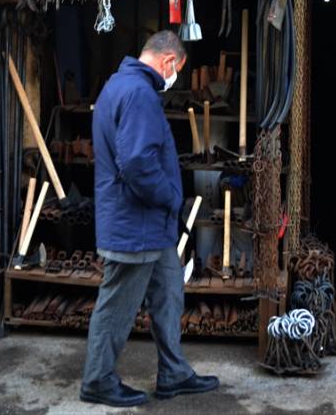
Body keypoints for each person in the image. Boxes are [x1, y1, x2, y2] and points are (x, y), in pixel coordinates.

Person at [81, 31, 219, 407]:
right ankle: (97, 380)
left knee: (169, 292)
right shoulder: (139, 94)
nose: (176, 77)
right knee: (118, 305)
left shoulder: (120, 85)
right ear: (168, 61)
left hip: (149, 228)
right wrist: (172, 197)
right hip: (136, 225)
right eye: (178, 70)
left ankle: (173, 374)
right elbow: (138, 164)